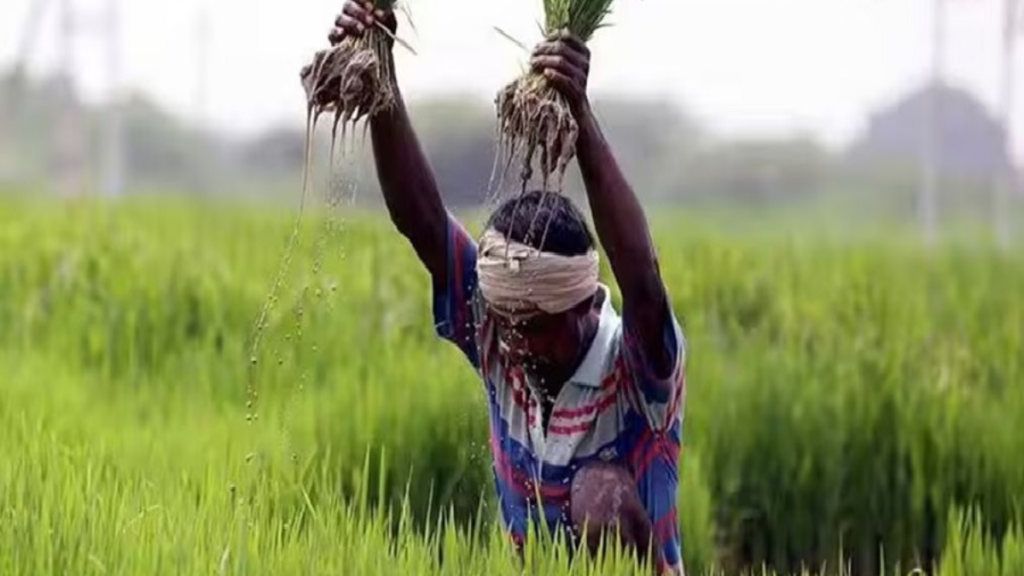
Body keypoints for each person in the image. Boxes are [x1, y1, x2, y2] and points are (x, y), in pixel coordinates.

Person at [316, 3, 688, 574]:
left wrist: (580, 117)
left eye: (538, 328)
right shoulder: (500, 331)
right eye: (509, 325)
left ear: (588, 305)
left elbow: (641, 277)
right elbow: (422, 222)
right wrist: (380, 69)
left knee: (597, 492)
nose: (519, 346)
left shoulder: (637, 367)